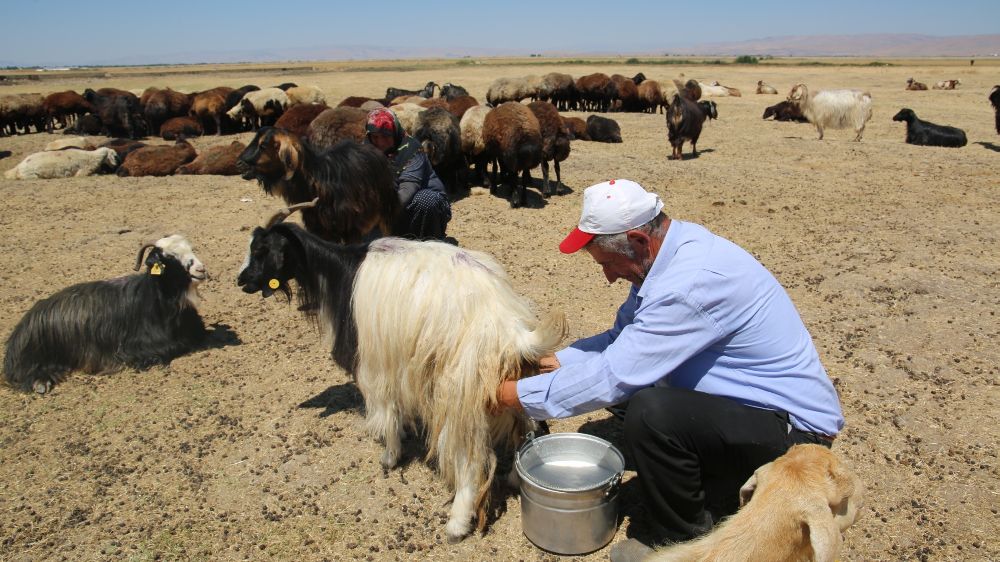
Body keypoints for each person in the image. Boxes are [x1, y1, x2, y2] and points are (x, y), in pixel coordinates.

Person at [496, 179, 844, 558]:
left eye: (609, 263)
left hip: (790, 436)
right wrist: (556, 362)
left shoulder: (689, 284)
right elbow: (621, 338)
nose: (609, 277)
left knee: (649, 411)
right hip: (747, 404)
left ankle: (680, 540)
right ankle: (704, 477)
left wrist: (511, 396)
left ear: (638, 240)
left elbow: (616, 375)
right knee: (633, 398)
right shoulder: (666, 254)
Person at [365, 107, 451, 241]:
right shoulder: (365, 150)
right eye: (375, 137)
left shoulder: (411, 149)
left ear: (395, 133)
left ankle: (428, 242)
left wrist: (380, 215)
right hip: (387, 210)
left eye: (386, 136)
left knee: (426, 199)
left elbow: (408, 187)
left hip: (416, 207)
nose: (380, 142)